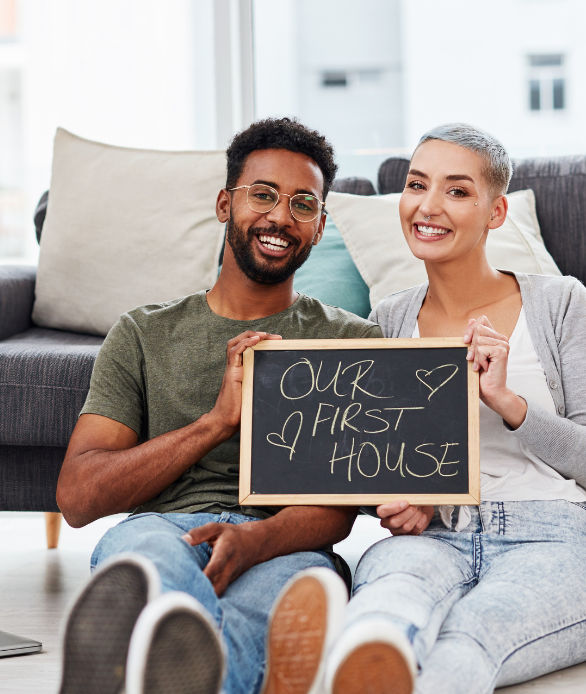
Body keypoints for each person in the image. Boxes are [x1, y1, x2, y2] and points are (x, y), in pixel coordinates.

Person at [54, 117, 381, 694]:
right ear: (224, 204)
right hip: (164, 529)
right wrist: (216, 422)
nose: (281, 217)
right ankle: (158, 648)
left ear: (321, 225)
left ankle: (140, 669)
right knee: (150, 568)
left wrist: (255, 541)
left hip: (284, 543)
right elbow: (78, 497)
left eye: (303, 204)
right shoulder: (141, 333)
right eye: (263, 195)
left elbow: (340, 507)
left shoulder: (352, 343)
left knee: (271, 611)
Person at [323, 124, 586, 694]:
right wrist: (405, 496)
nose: (429, 206)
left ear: (495, 211)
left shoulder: (560, 302)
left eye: (457, 191)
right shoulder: (390, 319)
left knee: (468, 638)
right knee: (381, 618)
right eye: (417, 185)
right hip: (432, 537)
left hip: (551, 533)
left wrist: (507, 402)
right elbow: (372, 461)